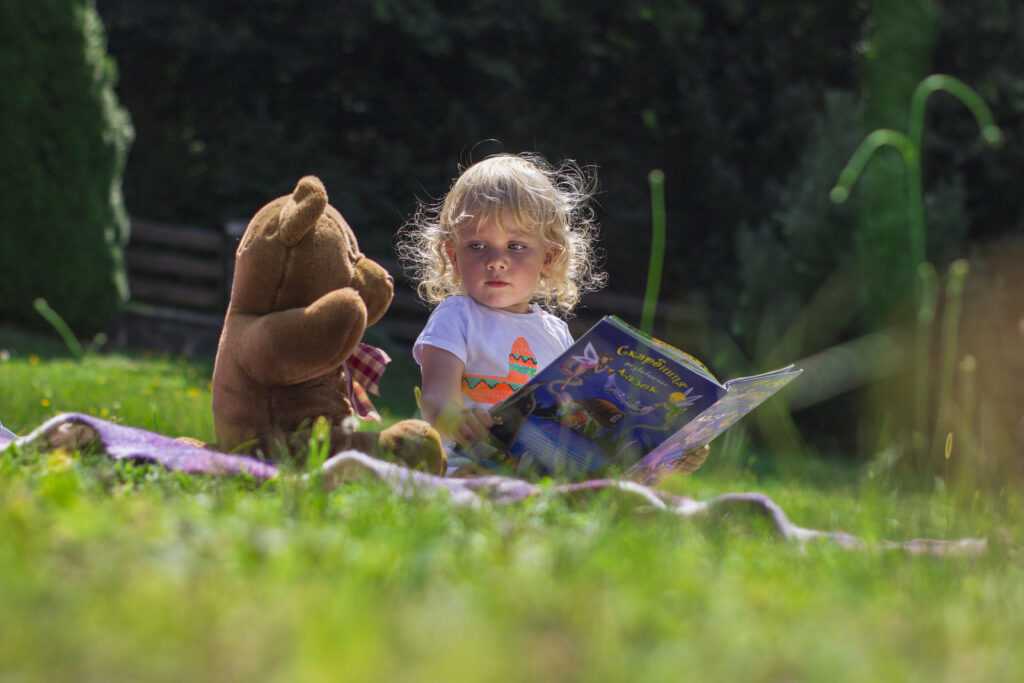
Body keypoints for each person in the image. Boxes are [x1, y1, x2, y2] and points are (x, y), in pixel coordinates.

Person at [400, 152, 708, 477]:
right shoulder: (457, 316)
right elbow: (435, 398)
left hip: (544, 473)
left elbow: (573, 415)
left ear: (549, 258)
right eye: (477, 245)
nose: (496, 260)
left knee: (620, 496)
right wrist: (455, 420)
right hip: (470, 464)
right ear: (452, 255)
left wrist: (671, 452)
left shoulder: (556, 332)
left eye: (516, 246)